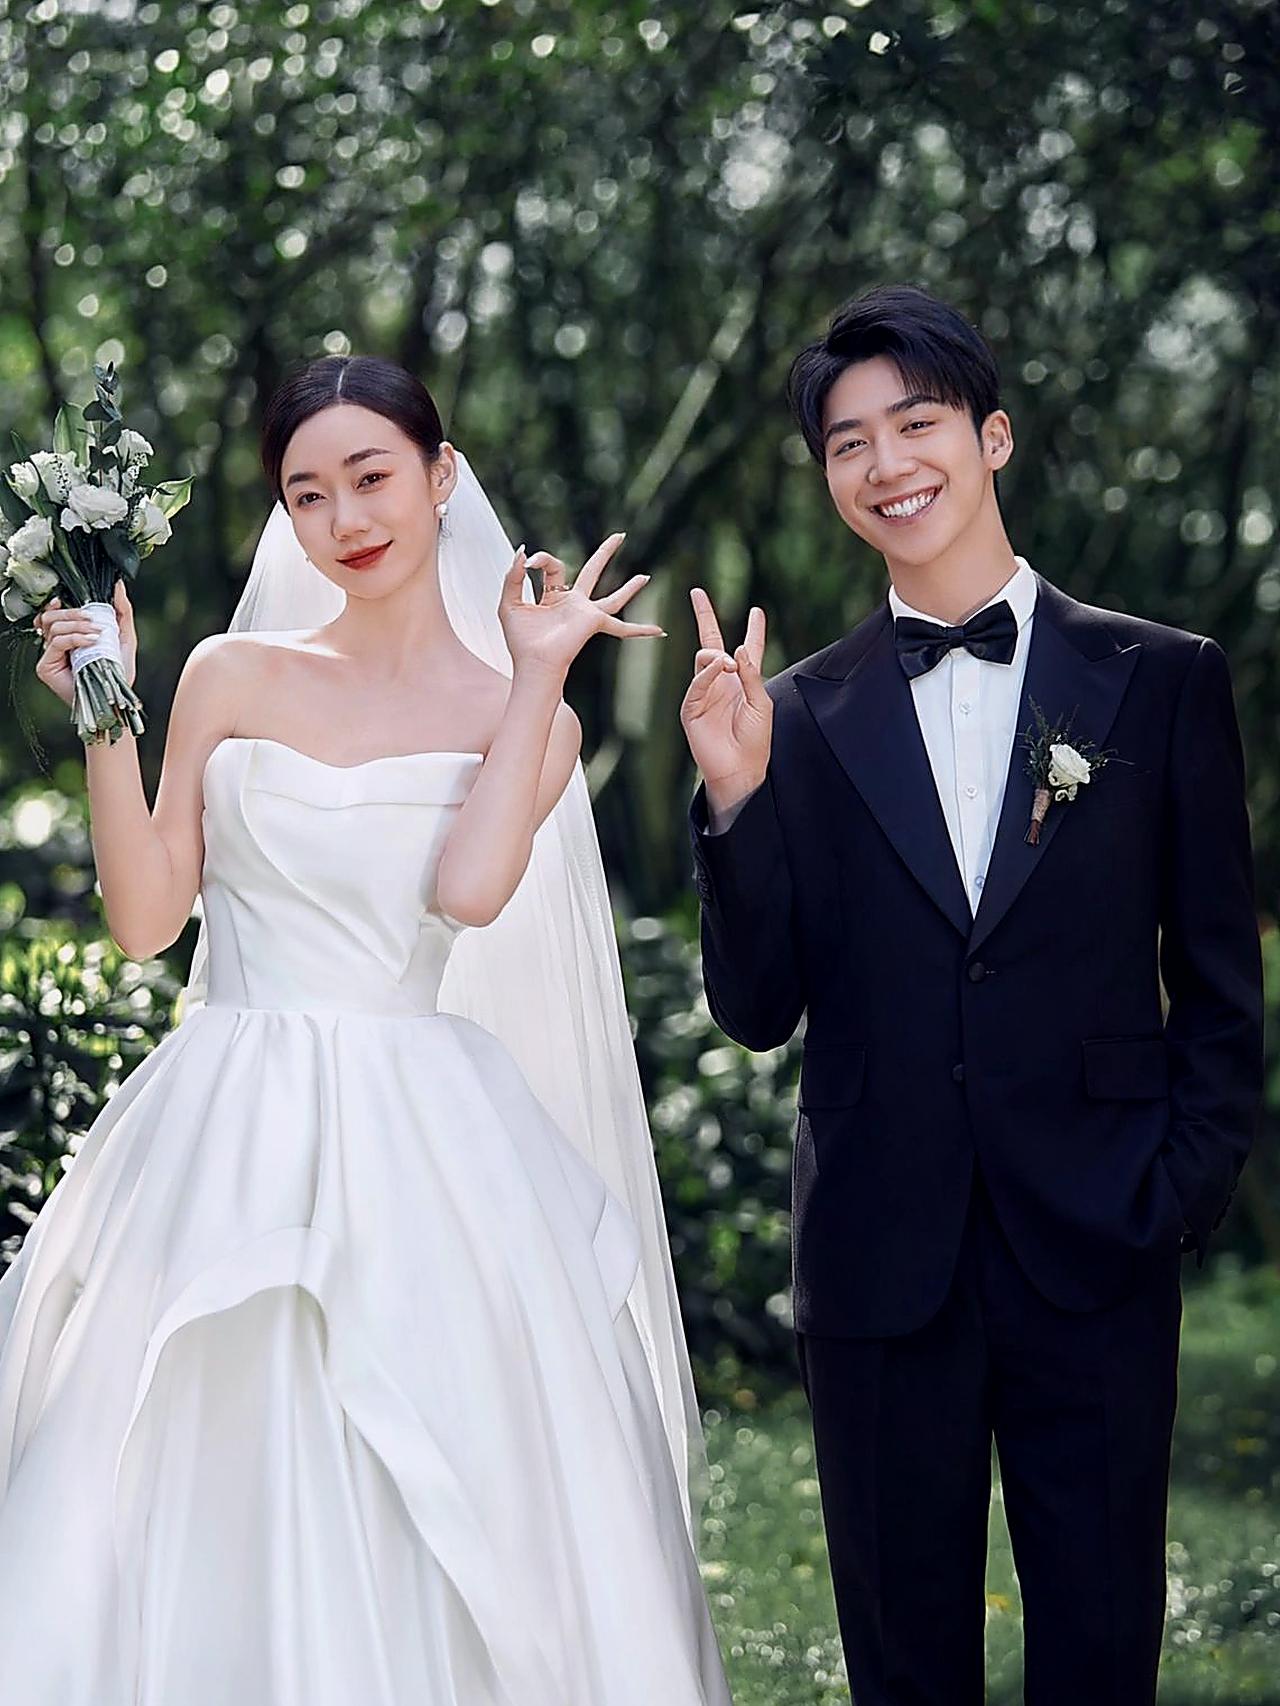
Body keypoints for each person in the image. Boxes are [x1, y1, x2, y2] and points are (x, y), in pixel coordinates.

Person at [0, 355, 732, 1706]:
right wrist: (108, 710)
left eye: (372, 476)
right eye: (308, 492)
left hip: (422, 1130)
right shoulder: (227, 674)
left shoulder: (527, 711)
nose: (346, 518)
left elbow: (470, 890)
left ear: (440, 476)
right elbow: (148, 920)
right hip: (231, 1108)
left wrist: (536, 676)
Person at [680, 285, 1262, 1705]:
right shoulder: (792, 715)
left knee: (1102, 1652)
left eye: (917, 423)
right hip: (880, 1258)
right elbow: (756, 1007)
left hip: (1101, 1238)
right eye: (849, 443)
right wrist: (736, 794)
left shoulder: (1159, 679)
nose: (887, 464)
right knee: (904, 1667)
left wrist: (1176, 1192)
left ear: (991, 436)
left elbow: (1221, 984)